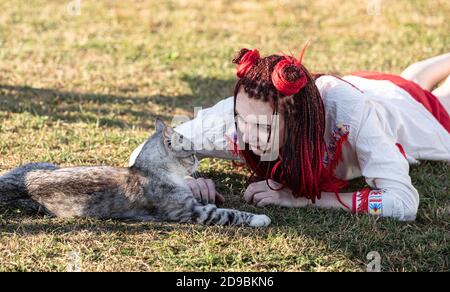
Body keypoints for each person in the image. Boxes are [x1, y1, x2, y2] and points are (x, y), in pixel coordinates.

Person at [130, 48, 450, 221]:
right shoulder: (238, 117)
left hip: (406, 113)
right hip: (369, 86)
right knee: (413, 76)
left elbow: (403, 203)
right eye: (243, 120)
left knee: (431, 95)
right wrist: (181, 180)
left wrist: (304, 200)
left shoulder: (352, 115)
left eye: (265, 128)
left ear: (297, 122)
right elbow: (145, 152)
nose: (247, 135)